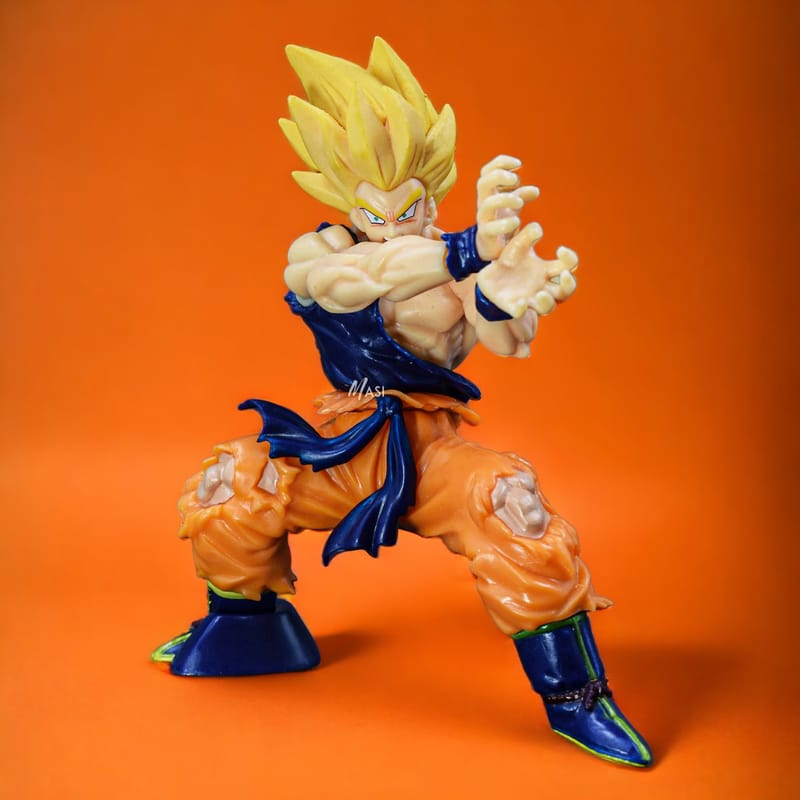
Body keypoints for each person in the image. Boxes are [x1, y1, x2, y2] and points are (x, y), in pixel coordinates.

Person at [152, 38, 652, 768]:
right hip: (343, 442)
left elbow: (507, 337)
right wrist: (465, 250)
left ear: (433, 193)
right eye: (371, 209)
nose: (391, 221)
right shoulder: (326, 251)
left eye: (409, 206)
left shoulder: (463, 264)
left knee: (511, 502)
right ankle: (249, 628)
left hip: (429, 451)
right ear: (345, 199)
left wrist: (501, 292)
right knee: (232, 480)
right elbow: (350, 283)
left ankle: (577, 697)